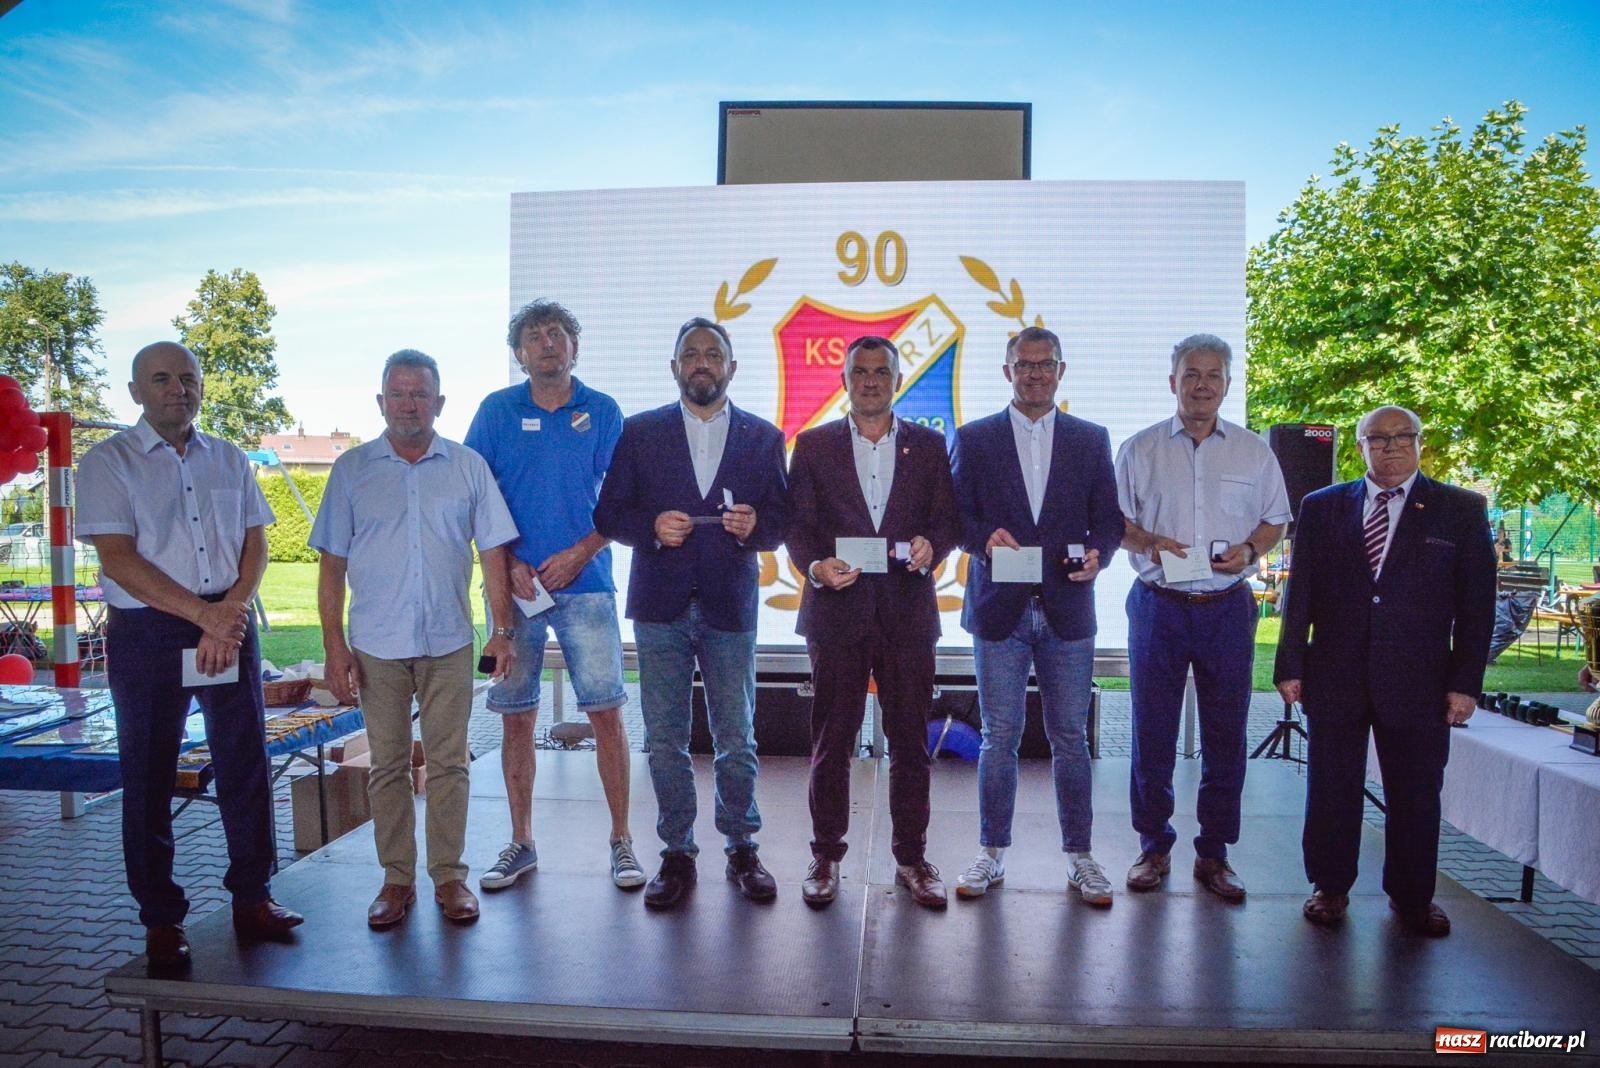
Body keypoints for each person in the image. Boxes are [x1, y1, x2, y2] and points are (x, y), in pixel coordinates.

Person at [77, 341, 303, 969]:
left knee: (245, 763)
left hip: (226, 623)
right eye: (161, 378)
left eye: (187, 378)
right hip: (150, 631)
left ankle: (253, 897)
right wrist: (207, 617)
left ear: (201, 386)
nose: (177, 388)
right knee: (149, 774)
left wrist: (227, 614)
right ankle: (160, 919)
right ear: (136, 391)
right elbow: (118, 559)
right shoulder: (108, 463)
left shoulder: (228, 458)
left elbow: (255, 545)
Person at [310, 350, 520, 929]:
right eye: (397, 394)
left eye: (420, 394)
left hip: (450, 640)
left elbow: (493, 552)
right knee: (388, 767)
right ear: (381, 403)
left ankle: (449, 877)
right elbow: (331, 567)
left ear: (439, 403)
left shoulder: (467, 467)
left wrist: (503, 631)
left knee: (450, 763)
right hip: (376, 644)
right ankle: (396, 879)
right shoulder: (352, 470)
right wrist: (334, 647)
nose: (408, 404)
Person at [1275, 405, 1495, 936]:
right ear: (1361, 447)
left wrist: (1466, 683)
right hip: (1335, 675)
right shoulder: (1322, 507)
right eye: (1378, 438)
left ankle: (1413, 898)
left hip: (1420, 682)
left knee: (1416, 795)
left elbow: (1477, 606)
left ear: (1421, 443)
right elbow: (1298, 593)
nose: (1391, 447)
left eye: (1403, 437)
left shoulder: (1460, 509)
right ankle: (1329, 888)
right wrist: (1289, 665)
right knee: (1331, 790)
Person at [593, 318, 789, 909]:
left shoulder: (763, 437)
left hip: (731, 605)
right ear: (674, 367)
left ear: (732, 367)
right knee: (665, 739)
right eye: (691, 355)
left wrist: (759, 527)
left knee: (737, 736)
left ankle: (741, 847)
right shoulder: (640, 432)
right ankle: (676, 853)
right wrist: (649, 528)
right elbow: (609, 515)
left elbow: (783, 523)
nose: (701, 363)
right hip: (660, 607)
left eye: (713, 354)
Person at [465, 301, 644, 891]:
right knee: (517, 719)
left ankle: (622, 841)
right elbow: (476, 499)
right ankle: (521, 843)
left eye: (557, 334)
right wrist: (511, 562)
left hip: (586, 585)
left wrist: (580, 553)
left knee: (607, 713)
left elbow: (623, 503)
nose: (546, 344)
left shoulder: (602, 411)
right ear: (518, 352)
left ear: (575, 346)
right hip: (513, 593)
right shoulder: (495, 412)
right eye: (534, 336)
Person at [785, 335, 960, 909]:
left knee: (911, 744)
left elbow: (947, 522)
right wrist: (814, 566)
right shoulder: (812, 447)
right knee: (831, 742)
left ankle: (911, 858)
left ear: (896, 380)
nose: (869, 381)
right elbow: (799, 529)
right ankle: (824, 857)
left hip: (908, 614)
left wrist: (934, 545)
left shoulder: (931, 448)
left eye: (881, 372)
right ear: (843, 381)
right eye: (858, 372)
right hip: (836, 614)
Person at [950, 326, 1123, 906]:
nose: (1034, 374)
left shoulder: (1091, 439)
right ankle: (990, 854)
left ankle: (1081, 857)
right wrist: (980, 540)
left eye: (1044, 365)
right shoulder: (973, 440)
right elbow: (956, 520)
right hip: (999, 610)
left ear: (1060, 371)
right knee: (998, 736)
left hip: (1067, 610)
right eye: (1023, 365)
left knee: (1070, 737)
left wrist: (1100, 552)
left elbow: (1110, 522)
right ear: (1006, 372)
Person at [1115, 333, 1289, 901]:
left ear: (1227, 385)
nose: (1202, 385)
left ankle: (1214, 853)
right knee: (1152, 732)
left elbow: (1275, 520)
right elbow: (1116, 525)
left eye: (1213, 375)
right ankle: (1153, 845)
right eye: (1191, 374)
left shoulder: (1253, 451)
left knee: (1225, 734)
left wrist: (1249, 552)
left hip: (1225, 608)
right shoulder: (1139, 449)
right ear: (1173, 382)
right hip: (1158, 607)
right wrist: (1150, 541)